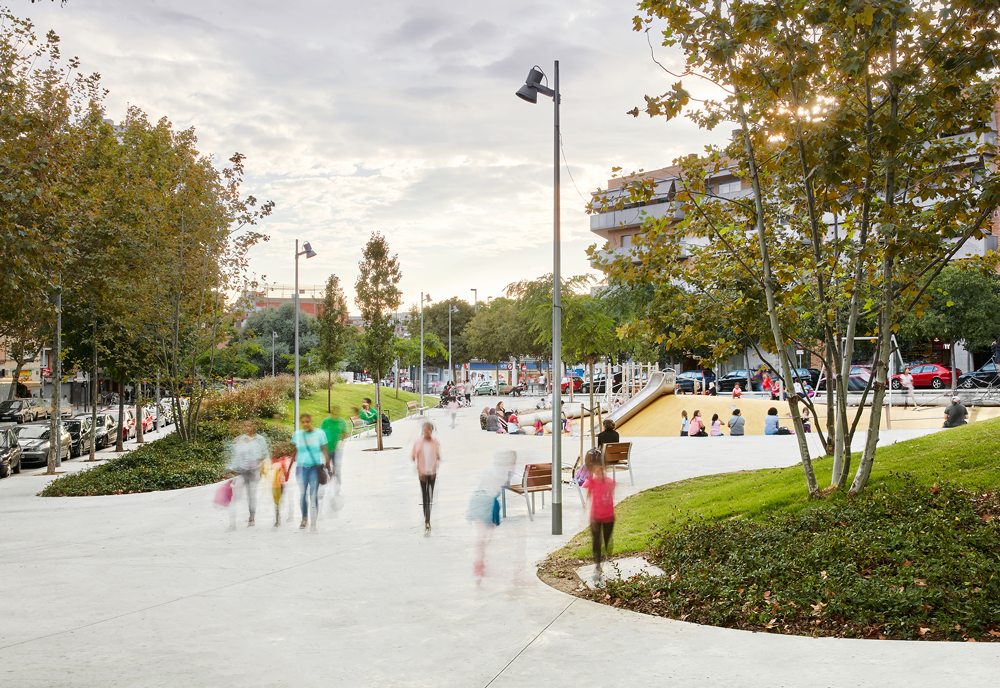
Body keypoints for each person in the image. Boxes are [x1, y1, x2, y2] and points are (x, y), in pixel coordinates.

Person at [467, 450, 514, 584]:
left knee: (488, 536)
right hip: (481, 503)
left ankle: (480, 562)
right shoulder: (495, 472)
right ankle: (477, 566)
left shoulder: (505, 474)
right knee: (482, 536)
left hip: (492, 504)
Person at [226, 420, 270, 530]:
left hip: (254, 471)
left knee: (251, 494)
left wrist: (261, 467)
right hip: (243, 470)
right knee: (239, 495)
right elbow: (237, 455)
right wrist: (231, 468)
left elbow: (265, 454)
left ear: (253, 427)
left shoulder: (260, 440)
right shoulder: (241, 439)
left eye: (249, 426)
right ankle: (237, 521)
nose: (247, 428)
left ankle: (252, 517)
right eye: (245, 426)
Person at [582, 447, 616, 586]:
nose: (597, 471)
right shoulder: (591, 483)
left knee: (607, 540)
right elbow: (589, 497)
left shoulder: (610, 482)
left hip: (609, 518)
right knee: (597, 542)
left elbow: (611, 498)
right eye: (594, 469)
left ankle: (607, 555)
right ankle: (597, 564)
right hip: (595, 518)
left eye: (600, 468)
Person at [291, 414, 329, 531]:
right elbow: (294, 451)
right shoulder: (297, 435)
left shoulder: (320, 434)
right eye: (303, 422)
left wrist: (328, 464)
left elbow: (324, 449)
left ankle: (313, 521)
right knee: (303, 494)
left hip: (314, 467)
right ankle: (304, 518)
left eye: (307, 421)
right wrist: (287, 469)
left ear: (311, 421)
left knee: (313, 494)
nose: (305, 424)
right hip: (301, 468)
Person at [412, 422, 441, 534]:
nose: (427, 431)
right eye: (425, 429)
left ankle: (427, 517)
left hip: (432, 473)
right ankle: (427, 520)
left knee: (430, 496)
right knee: (425, 496)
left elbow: (438, 456)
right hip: (423, 473)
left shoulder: (435, 442)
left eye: (429, 429)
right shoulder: (418, 443)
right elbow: (413, 455)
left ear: (432, 431)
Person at [320, 406, 349, 496]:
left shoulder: (342, 422)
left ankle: (337, 487)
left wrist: (341, 445)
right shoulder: (326, 421)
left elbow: (345, 435)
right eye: (333, 413)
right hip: (327, 448)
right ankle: (325, 483)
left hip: (337, 449)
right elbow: (321, 434)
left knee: (337, 467)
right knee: (326, 466)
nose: (334, 415)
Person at [267, 442, 294, 526]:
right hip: (274, 485)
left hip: (280, 485)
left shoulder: (282, 461)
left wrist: (285, 476)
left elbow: (285, 474)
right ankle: (277, 519)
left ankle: (282, 517)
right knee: (276, 502)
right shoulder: (272, 461)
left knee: (278, 502)